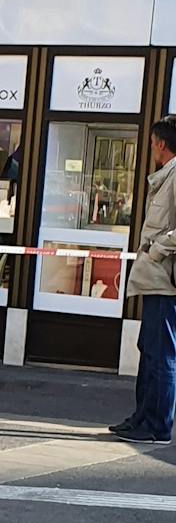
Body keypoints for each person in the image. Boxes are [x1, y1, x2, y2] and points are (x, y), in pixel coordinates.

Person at [115, 117, 176, 445]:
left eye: (152, 142)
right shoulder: (166, 177)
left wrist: (155, 250)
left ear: (161, 144)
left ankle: (158, 425)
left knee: (163, 353)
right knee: (150, 350)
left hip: (166, 280)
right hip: (156, 280)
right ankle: (142, 418)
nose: (150, 147)